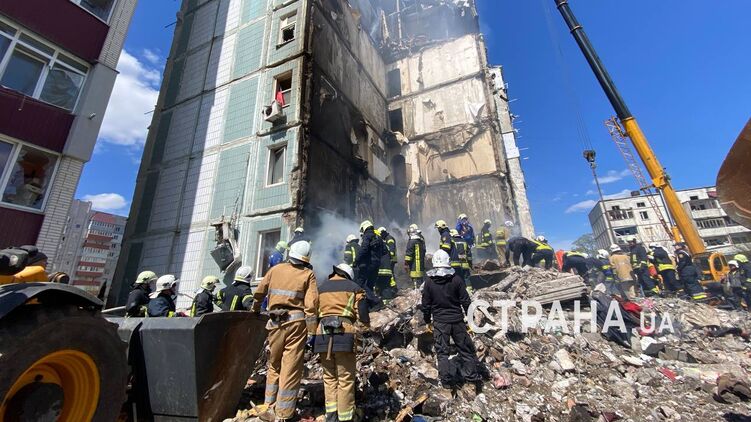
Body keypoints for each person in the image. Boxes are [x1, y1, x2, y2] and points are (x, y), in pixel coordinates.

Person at [252, 241, 319, 421]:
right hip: (296, 324)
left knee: (274, 364)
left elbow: (259, 292)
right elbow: (311, 305)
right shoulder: (308, 274)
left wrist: (255, 309)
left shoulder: (275, 270)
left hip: (274, 323)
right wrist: (312, 332)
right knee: (290, 367)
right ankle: (283, 414)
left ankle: (268, 405)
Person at [314, 263, 369, 422]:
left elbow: (311, 310)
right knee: (345, 379)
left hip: (322, 336)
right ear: (347, 275)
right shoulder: (354, 288)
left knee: (329, 378)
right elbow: (363, 315)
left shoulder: (320, 288)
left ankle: (331, 416)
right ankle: (346, 418)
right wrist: (365, 328)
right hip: (344, 334)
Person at [421, 250, 482, 392]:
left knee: (442, 352)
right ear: (448, 262)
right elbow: (466, 301)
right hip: (457, 321)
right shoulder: (456, 279)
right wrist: (470, 319)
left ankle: (447, 383)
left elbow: (426, 305)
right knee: (466, 350)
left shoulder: (429, 282)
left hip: (440, 323)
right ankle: (472, 378)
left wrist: (427, 320)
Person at [353, 220, 384, 308]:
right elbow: (385, 251)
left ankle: (375, 301)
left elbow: (364, 249)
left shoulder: (367, 236)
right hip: (377, 264)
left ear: (364, 228)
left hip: (368, 264)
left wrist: (356, 260)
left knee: (360, 283)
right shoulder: (378, 237)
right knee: (370, 285)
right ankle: (372, 305)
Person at [375, 228, 396, 300]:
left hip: (390, 260)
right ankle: (393, 288)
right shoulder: (384, 241)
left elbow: (392, 251)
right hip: (388, 261)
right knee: (389, 277)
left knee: (389, 278)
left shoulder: (389, 239)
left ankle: (394, 288)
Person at [404, 224, 426, 289]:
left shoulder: (412, 241)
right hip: (421, 263)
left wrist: (406, 263)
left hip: (415, 264)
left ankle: (416, 291)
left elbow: (409, 253)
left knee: (415, 278)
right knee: (420, 278)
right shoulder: (421, 240)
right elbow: (424, 251)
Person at [378, 227, 398, 294]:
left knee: (390, 273)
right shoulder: (386, 238)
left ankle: (393, 287)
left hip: (391, 259)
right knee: (391, 273)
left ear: (383, 233)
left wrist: (388, 256)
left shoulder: (389, 239)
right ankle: (393, 286)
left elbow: (392, 250)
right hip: (390, 259)